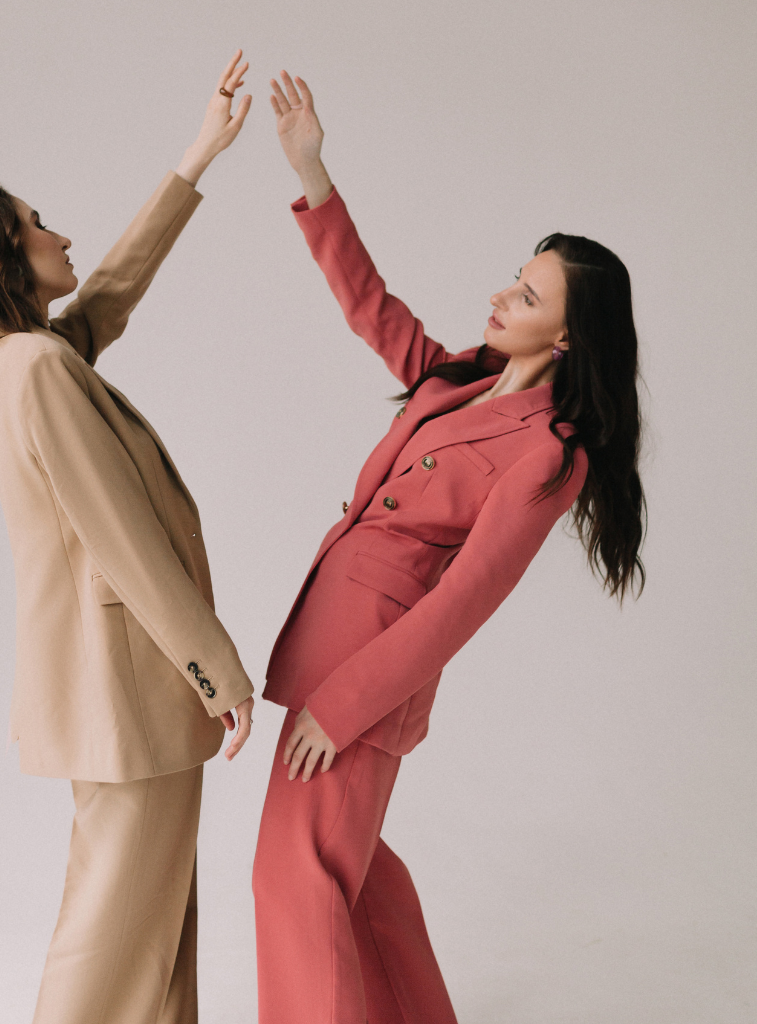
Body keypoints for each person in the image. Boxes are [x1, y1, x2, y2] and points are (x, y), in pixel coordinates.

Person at [253, 70, 646, 1024]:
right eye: (515, 278)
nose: (501, 296)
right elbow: (372, 307)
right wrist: (312, 172)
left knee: (297, 880)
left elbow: (462, 604)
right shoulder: (457, 378)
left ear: (568, 336)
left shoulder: (550, 455)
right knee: (356, 877)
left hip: (365, 674)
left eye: (528, 294)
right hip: (329, 640)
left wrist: (342, 707)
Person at [0, 51, 256, 1024]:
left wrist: (197, 157)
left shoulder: (14, 359)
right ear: (1, 255)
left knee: (153, 918)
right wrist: (219, 672)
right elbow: (124, 539)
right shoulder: (38, 370)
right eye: (37, 223)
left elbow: (109, 293)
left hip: (114, 687)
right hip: (129, 682)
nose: (61, 234)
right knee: (115, 927)